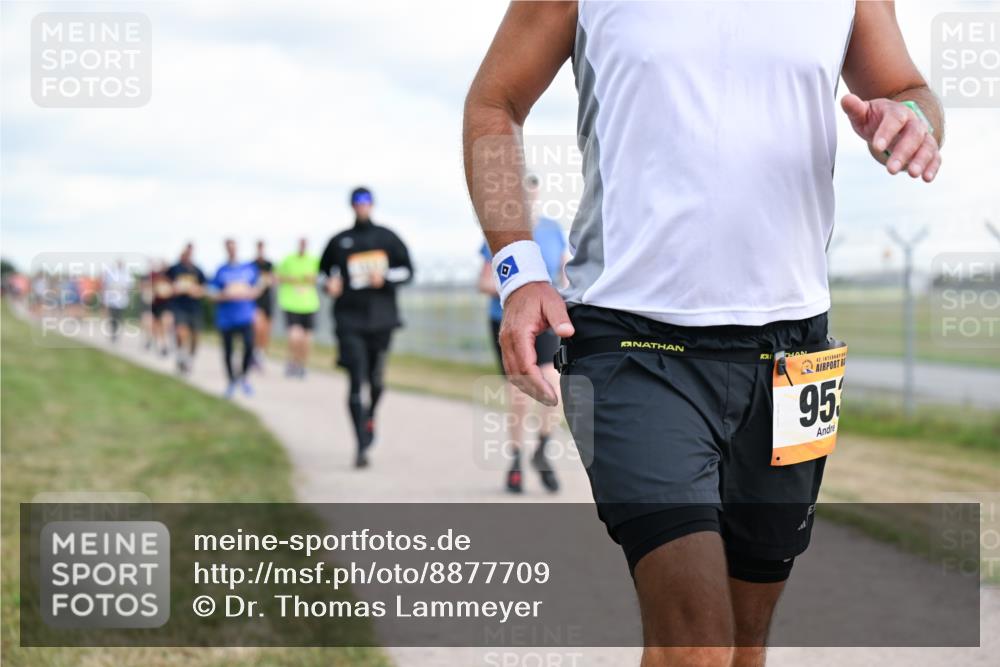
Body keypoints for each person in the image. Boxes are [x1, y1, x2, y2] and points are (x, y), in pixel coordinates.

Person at [463, 2, 943, 665]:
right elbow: (495, 102)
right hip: (631, 343)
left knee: (745, 642)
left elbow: (908, 88)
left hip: (792, 358)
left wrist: (912, 119)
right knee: (697, 644)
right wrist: (518, 274)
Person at [478, 173, 566, 493]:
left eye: (532, 192)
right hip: (509, 318)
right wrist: (519, 289)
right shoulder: (502, 232)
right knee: (519, 393)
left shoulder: (553, 230)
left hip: (545, 319)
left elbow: (566, 273)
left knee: (553, 384)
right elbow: (484, 281)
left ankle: (542, 449)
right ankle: (515, 458)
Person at [320, 186, 414, 468]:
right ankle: (360, 445)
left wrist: (384, 279)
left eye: (366, 201)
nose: (362, 206)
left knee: (376, 381)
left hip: (381, 320)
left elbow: (408, 271)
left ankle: (370, 415)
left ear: (372, 204)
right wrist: (328, 284)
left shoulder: (387, 238)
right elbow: (323, 273)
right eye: (357, 202)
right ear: (351, 206)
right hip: (349, 320)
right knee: (355, 378)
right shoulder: (339, 241)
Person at [210, 238, 260, 398]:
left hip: (245, 315)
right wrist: (224, 294)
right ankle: (231, 381)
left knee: (249, 346)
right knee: (228, 351)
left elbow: (258, 288)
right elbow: (211, 292)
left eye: (234, 247)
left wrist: (249, 292)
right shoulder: (221, 270)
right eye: (229, 247)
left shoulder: (248, 268)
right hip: (226, 317)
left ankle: (244, 377)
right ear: (226, 249)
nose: (232, 250)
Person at [276, 237, 321, 378]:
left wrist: (312, 278)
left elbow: (321, 276)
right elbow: (276, 276)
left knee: (307, 339)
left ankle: (302, 365)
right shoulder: (288, 259)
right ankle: (293, 362)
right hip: (291, 303)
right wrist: (290, 279)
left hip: (309, 304)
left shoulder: (314, 260)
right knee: (295, 336)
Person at [166, 243, 207, 374]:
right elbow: (165, 283)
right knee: (181, 331)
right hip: (179, 306)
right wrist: (174, 288)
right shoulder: (175, 269)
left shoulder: (197, 270)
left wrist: (197, 290)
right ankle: (181, 356)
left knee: (196, 336)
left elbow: (204, 287)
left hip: (194, 307)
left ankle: (190, 359)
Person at [252, 240, 275, 368]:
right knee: (258, 327)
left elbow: (274, 279)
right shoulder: (251, 265)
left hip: (267, 300)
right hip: (256, 300)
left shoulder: (270, 265)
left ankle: (261, 353)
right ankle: (255, 351)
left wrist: (271, 280)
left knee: (266, 329)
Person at [101, 259, 133, 343]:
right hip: (112, 300)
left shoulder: (126, 274)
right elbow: (106, 287)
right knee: (113, 317)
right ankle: (113, 332)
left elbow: (129, 287)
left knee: (119, 317)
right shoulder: (111, 274)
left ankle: (116, 332)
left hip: (122, 301)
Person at [149, 260, 174, 357]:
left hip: (167, 304)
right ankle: (160, 343)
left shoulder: (170, 277)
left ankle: (164, 343)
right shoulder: (155, 276)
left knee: (166, 322)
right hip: (156, 304)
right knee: (157, 325)